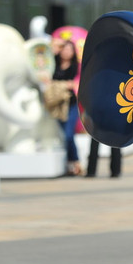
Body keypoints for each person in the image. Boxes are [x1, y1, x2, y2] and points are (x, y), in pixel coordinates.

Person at [52, 40, 81, 175]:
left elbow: (76, 83)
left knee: (69, 134)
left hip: (71, 104)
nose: (67, 52)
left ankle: (75, 161)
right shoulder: (54, 65)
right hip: (57, 105)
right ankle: (70, 164)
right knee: (63, 135)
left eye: (70, 49)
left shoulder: (76, 66)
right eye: (65, 49)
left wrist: (65, 84)